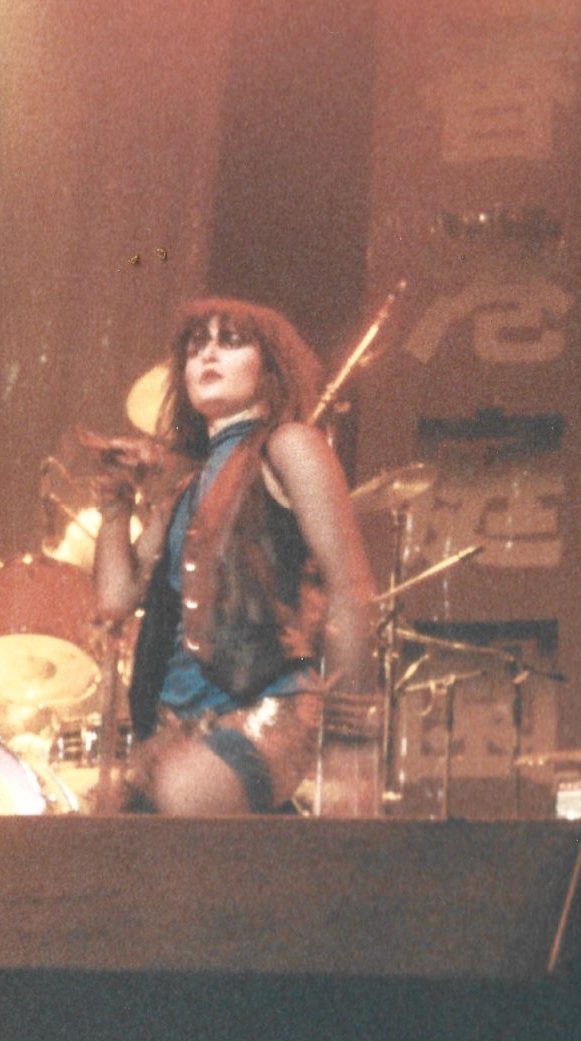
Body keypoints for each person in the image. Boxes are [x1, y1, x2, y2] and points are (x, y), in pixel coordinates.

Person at [92, 299, 377, 813]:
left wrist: (348, 733)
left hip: (268, 712)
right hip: (177, 729)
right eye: (197, 346)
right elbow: (116, 598)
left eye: (231, 341)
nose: (209, 355)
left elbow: (351, 586)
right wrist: (116, 508)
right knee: (104, 831)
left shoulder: (289, 445)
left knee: (184, 794)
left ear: (269, 367)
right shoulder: (185, 488)